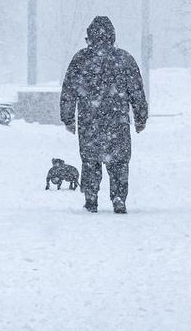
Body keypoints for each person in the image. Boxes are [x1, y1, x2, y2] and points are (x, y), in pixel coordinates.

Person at [60, 16, 148, 214]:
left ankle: (91, 198)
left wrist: (68, 118)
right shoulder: (124, 59)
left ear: (89, 37)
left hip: (89, 121)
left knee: (90, 160)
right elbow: (136, 90)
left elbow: (68, 90)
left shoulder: (81, 59)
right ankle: (118, 197)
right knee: (119, 161)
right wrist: (140, 117)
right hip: (117, 121)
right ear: (113, 37)